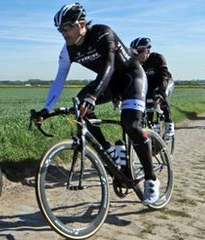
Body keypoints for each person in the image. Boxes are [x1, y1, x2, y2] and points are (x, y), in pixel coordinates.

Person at [32, 3, 159, 205]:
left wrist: (93, 96)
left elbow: (109, 66)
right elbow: (59, 81)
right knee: (80, 105)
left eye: (67, 28)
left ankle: (151, 180)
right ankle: (109, 150)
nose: (63, 33)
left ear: (81, 24)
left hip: (131, 77)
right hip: (109, 83)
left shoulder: (102, 33)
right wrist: (46, 109)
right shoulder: (68, 51)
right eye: (60, 30)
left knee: (131, 125)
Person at [130, 37, 174, 138]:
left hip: (165, 82)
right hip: (149, 85)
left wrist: (161, 92)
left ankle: (169, 124)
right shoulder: (135, 62)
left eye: (139, 51)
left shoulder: (157, 58)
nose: (136, 54)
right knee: (146, 104)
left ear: (148, 51)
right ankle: (153, 128)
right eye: (133, 52)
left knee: (160, 95)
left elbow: (164, 76)